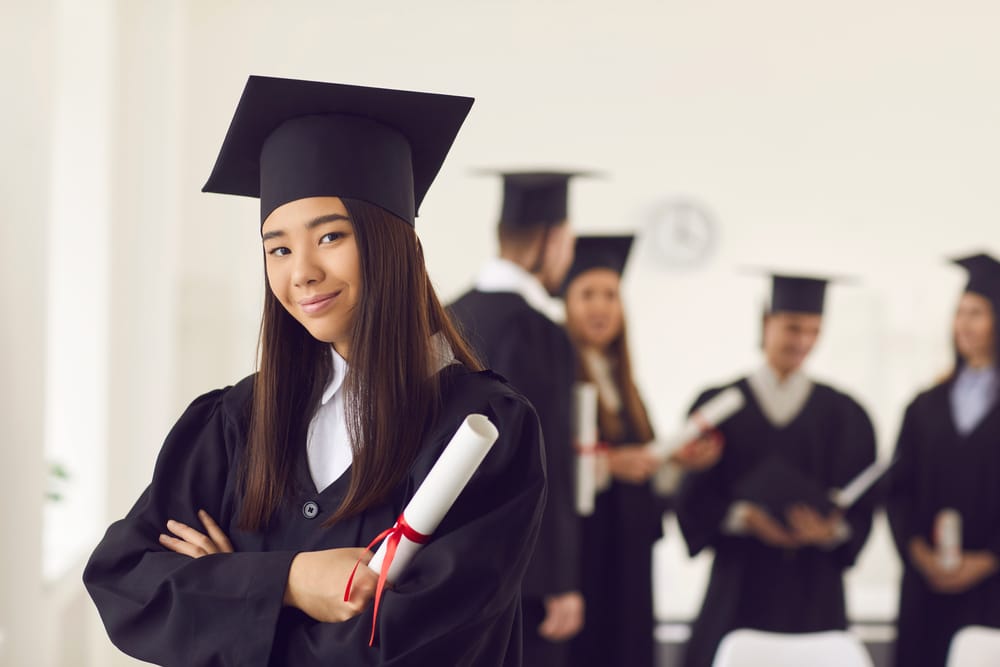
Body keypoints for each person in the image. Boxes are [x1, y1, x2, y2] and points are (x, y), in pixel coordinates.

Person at [83, 75, 547, 666]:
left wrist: (226, 594)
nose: (300, 272)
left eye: (330, 235)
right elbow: (124, 581)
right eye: (277, 248)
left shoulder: (482, 431)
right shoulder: (236, 420)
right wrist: (293, 581)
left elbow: (414, 647)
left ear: (391, 243)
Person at [675, 274, 877, 667]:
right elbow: (691, 499)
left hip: (815, 590)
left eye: (814, 330)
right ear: (766, 322)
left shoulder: (846, 414)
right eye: (792, 327)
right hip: (739, 584)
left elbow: (863, 504)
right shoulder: (719, 407)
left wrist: (829, 529)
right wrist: (743, 517)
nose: (802, 341)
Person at [562, 235, 722, 667]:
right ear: (566, 303)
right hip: (585, 550)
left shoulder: (624, 382)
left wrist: (677, 464)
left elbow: (644, 469)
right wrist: (608, 466)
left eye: (611, 295)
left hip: (629, 549)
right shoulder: (555, 373)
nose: (601, 307)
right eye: (588, 295)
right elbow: (547, 461)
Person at [449, 171, 585, 666]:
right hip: (520, 570)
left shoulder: (446, 314)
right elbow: (547, 462)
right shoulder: (539, 330)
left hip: (445, 561)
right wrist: (562, 580)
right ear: (550, 241)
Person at [887, 253, 1000, 667]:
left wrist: (988, 559)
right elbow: (898, 488)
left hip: (993, 588)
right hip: (927, 584)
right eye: (959, 313)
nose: (964, 325)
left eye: (977, 313)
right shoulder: (925, 405)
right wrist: (918, 551)